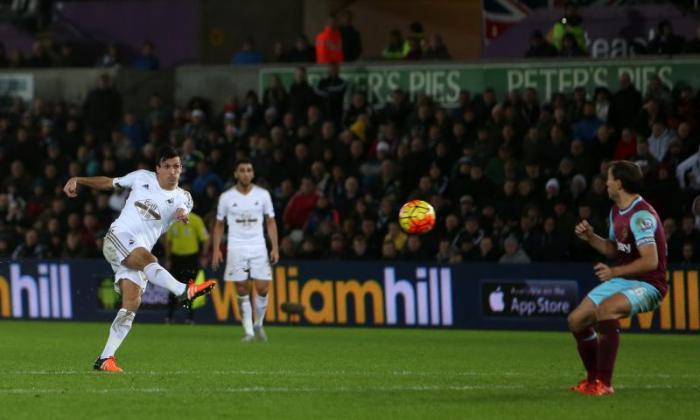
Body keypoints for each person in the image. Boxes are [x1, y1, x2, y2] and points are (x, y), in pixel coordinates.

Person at [62, 146, 217, 372]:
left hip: (135, 252)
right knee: (149, 258)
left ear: (181, 169)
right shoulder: (141, 177)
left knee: (131, 304)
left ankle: (105, 358)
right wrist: (79, 179)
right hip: (118, 237)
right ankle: (183, 290)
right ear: (158, 169)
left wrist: (182, 215)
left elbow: (180, 210)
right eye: (167, 167)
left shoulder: (184, 198)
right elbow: (109, 182)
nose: (172, 171)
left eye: (177, 166)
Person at [569, 160, 667, 395]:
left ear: (620, 183)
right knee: (576, 320)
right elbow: (616, 250)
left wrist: (614, 272)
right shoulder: (617, 211)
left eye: (609, 179)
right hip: (625, 279)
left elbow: (650, 261)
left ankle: (604, 383)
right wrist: (592, 238)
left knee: (606, 310)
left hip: (649, 283)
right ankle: (592, 381)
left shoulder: (640, 215)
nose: (606, 184)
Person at [212, 158, 279, 342]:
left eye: (249, 170)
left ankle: (259, 324)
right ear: (236, 174)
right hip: (236, 246)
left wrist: (274, 247)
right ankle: (249, 330)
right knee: (241, 288)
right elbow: (219, 225)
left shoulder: (263, 195)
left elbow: (271, 221)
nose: (246, 173)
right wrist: (216, 249)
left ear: (253, 173)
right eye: (242, 170)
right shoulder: (226, 197)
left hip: (258, 245)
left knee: (263, 288)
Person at [164, 210, 211, 324]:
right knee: (173, 287)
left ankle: (190, 317)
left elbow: (205, 239)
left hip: (191, 258)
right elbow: (168, 241)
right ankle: (170, 316)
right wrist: (168, 258)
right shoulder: (172, 221)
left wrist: (204, 255)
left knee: (191, 287)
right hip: (176, 258)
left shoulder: (196, 220)